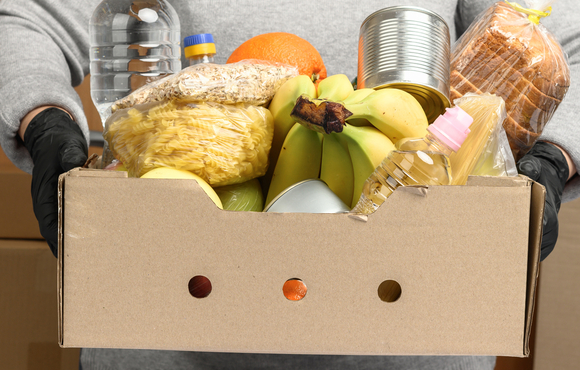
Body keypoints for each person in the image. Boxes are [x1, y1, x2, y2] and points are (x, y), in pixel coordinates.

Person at [0, 0, 577, 369]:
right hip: (164, 342)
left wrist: (554, 157)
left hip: (415, 344)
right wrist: (44, 120)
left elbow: (567, 35)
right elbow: (27, 17)